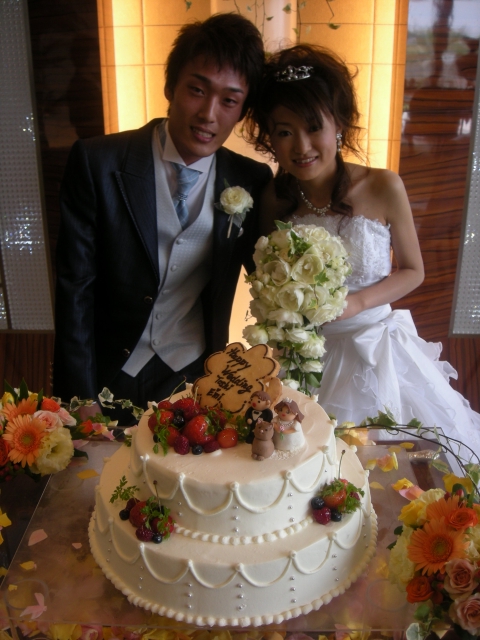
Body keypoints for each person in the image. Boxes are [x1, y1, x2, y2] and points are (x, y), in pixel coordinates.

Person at [245, 44, 480, 459]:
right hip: (304, 354)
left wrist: (356, 303)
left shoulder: (383, 185)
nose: (301, 146)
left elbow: (413, 270)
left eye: (313, 127)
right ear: (270, 139)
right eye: (284, 132)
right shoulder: (274, 200)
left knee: (388, 463)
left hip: (376, 348)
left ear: (339, 124)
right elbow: (266, 279)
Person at [53, 13, 272, 414]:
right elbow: (75, 291)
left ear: (242, 111)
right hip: (108, 373)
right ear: (170, 86)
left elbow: (271, 282)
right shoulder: (98, 162)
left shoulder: (252, 179)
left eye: (229, 100)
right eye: (196, 90)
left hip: (195, 374)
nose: (208, 114)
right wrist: (80, 398)